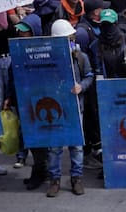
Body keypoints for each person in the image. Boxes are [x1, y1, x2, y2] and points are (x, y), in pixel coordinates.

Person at [45, 19, 93, 197]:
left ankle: (76, 178)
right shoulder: (48, 58)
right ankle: (54, 180)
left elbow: (89, 75)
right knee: (54, 146)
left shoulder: (80, 56)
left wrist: (81, 86)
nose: (69, 40)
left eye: (70, 37)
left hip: (75, 106)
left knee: (76, 146)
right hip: (54, 108)